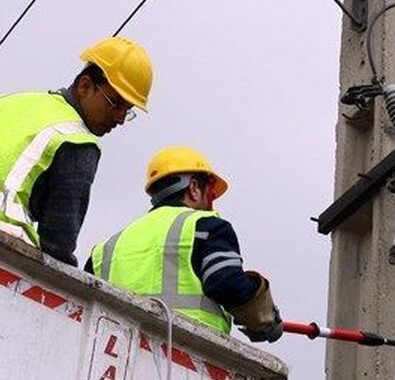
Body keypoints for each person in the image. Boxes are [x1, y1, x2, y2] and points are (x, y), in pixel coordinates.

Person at [0, 36, 152, 266]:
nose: (119, 118)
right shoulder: (77, 141)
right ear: (85, 86)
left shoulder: (3, 102)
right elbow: (58, 243)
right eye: (115, 103)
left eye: (127, 110)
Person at [85, 147, 283, 343]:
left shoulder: (106, 248)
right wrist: (265, 319)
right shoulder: (206, 226)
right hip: (186, 355)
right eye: (211, 194)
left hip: (114, 357)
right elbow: (226, 283)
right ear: (194, 188)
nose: (211, 203)